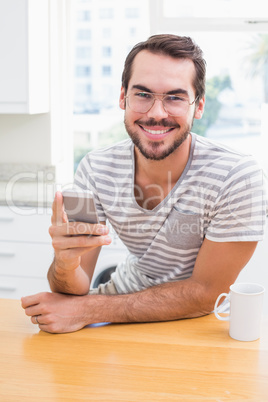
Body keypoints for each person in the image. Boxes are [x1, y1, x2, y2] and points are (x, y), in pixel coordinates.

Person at [21, 34, 267, 333]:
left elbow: (206, 293)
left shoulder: (236, 176)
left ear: (198, 106)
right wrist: (65, 262)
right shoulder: (96, 168)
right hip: (117, 304)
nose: (156, 113)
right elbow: (72, 290)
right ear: (123, 97)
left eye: (175, 97)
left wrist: (86, 309)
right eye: (143, 95)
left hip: (200, 321)